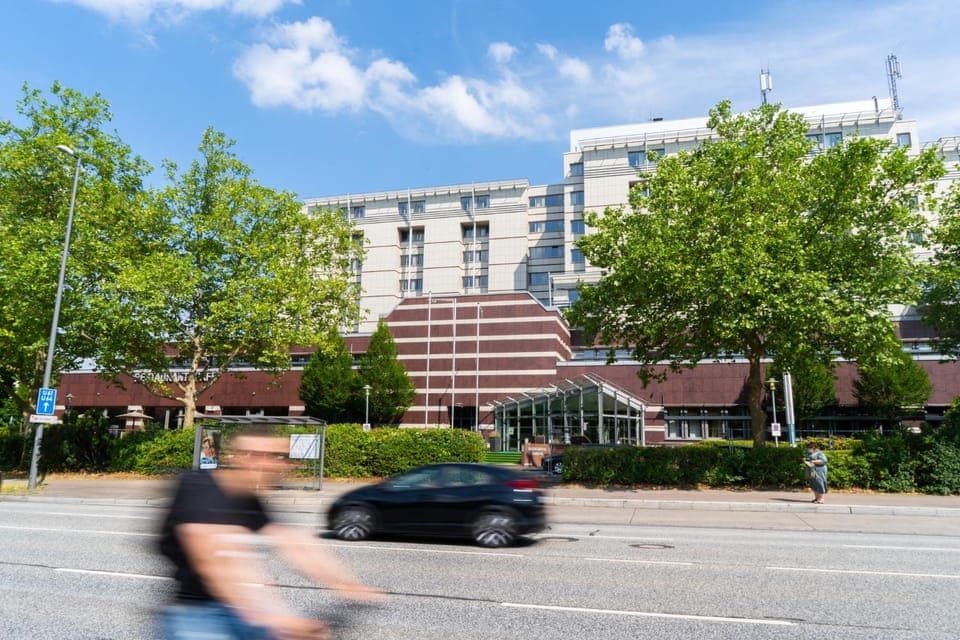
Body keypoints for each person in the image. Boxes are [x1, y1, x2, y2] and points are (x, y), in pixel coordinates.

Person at [159, 431, 381, 639]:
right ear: (236, 457)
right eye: (255, 455)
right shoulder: (198, 488)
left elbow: (293, 542)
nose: (267, 463)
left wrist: (344, 582)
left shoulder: (249, 498)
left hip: (234, 609)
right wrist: (276, 619)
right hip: (196, 617)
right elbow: (212, 564)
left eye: (276, 456)